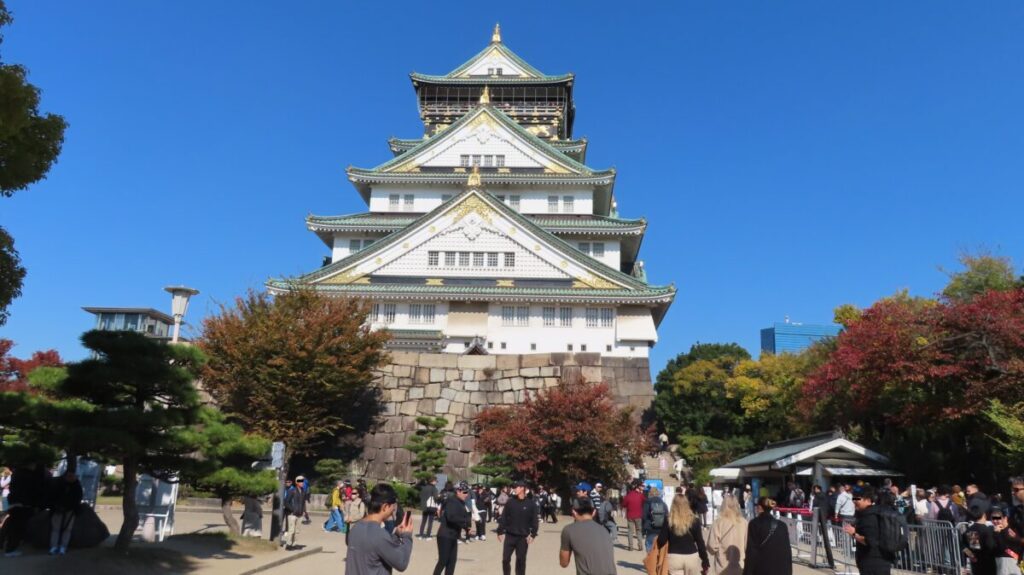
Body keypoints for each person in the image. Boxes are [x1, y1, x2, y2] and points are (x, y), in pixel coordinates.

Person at [345, 483, 414, 575]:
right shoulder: (378, 534)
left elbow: (377, 547)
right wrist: (407, 536)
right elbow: (401, 563)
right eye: (393, 507)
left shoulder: (356, 528)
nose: (393, 510)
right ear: (385, 507)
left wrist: (396, 534)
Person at [647, 494, 708, 575]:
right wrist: (705, 560)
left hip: (674, 556)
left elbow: (661, 541)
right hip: (691, 556)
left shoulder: (669, 520)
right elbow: (700, 542)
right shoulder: (695, 520)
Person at [842, 486, 894, 575]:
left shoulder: (869, 516)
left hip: (873, 563)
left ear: (868, 500)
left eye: (858, 499)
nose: (854, 501)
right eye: (853, 498)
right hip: (881, 560)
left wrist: (853, 533)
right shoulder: (876, 513)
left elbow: (869, 541)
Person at [560, 497, 617, 575]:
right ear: (593, 512)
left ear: (573, 512)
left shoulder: (568, 530)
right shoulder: (604, 530)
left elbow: (564, 563)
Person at [497, 479, 539, 575]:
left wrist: (533, 535)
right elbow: (503, 517)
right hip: (510, 536)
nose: (514, 489)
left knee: (521, 561)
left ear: (522, 488)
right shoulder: (510, 502)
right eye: (514, 487)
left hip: (523, 537)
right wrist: (500, 531)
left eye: (516, 487)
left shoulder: (531, 504)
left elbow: (534, 521)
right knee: (505, 560)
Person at [742, 498, 791, 575]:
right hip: (780, 569)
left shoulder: (754, 524)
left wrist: (747, 572)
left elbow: (751, 551)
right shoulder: (782, 526)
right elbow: (787, 551)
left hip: (761, 568)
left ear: (760, 507)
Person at [431, 481, 472, 575]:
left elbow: (463, 518)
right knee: (443, 561)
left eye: (467, 492)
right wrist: (465, 524)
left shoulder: (461, 503)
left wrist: (467, 528)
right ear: (458, 491)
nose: (466, 494)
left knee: (451, 563)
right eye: (465, 492)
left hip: (453, 535)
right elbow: (451, 517)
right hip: (445, 535)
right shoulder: (452, 501)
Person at [706, 494, 747, 575]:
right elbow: (747, 545)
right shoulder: (744, 522)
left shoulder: (718, 522)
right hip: (740, 566)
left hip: (722, 566)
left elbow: (712, 545)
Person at [47, 470, 82, 555]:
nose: (71, 478)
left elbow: (77, 499)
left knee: (67, 529)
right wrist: (56, 506)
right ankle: (54, 546)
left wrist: (71, 508)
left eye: (73, 476)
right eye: (69, 476)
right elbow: (52, 496)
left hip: (70, 510)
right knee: (56, 528)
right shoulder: (58, 484)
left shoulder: (77, 486)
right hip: (57, 509)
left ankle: (63, 547)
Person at [962, 499, 997, 575]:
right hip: (988, 563)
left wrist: (972, 556)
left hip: (976, 563)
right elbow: (990, 546)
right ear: (984, 515)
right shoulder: (986, 530)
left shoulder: (970, 530)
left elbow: (965, 547)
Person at [990, 506, 1023, 575]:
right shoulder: (1005, 530)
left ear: (1005, 519)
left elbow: (1003, 547)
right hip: (1006, 561)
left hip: (1007, 562)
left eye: (997, 519)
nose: (995, 521)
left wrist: (997, 533)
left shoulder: (1005, 531)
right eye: (993, 519)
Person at [281, 477, 306, 549]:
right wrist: (292, 510)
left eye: (302, 481)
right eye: (300, 481)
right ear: (296, 482)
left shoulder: (303, 491)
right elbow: (286, 502)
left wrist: (304, 511)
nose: (302, 483)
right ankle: (288, 544)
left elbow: (303, 502)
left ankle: (294, 543)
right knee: (291, 530)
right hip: (292, 514)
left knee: (297, 530)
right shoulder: (292, 491)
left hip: (300, 514)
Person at [643, 486, 669, 553]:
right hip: (661, 529)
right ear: (658, 494)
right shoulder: (663, 504)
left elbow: (644, 516)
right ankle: (658, 562)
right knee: (660, 547)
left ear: (650, 493)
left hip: (650, 529)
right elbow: (667, 516)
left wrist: (643, 530)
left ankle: (651, 562)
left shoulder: (647, 503)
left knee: (649, 545)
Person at [622, 482, 646, 552]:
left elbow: (623, 504)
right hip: (638, 515)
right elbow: (645, 502)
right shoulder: (640, 495)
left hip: (630, 515)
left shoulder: (628, 495)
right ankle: (640, 546)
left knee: (630, 531)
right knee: (638, 531)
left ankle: (630, 546)